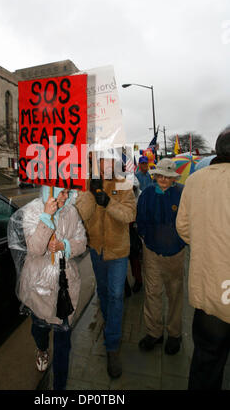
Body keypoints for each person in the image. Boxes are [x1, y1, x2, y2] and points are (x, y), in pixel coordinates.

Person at [7, 185, 86, 391]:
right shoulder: (33, 211)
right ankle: (42, 348)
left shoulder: (71, 211)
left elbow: (82, 241)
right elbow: (34, 249)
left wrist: (65, 245)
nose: (65, 197)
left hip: (64, 287)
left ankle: (59, 388)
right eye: (61, 192)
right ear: (48, 191)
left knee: (63, 340)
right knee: (39, 327)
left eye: (68, 192)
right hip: (38, 287)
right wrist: (46, 218)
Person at [176, 127, 230, 390]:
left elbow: (183, 228)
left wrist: (207, 243)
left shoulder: (195, 181)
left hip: (210, 292)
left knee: (206, 364)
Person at [75, 149, 137, 378]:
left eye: (110, 160)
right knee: (103, 292)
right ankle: (110, 324)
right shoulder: (88, 183)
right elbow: (82, 213)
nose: (106, 164)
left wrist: (108, 202)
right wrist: (91, 193)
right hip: (96, 250)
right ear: (95, 162)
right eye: (101, 160)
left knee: (116, 294)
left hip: (118, 252)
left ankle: (112, 346)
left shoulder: (123, 184)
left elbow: (130, 214)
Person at [136, 158, 186, 355]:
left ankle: (174, 334)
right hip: (152, 253)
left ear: (173, 178)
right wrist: (147, 238)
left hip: (176, 254)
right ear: (155, 175)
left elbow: (187, 221)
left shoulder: (181, 193)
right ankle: (154, 332)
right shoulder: (147, 193)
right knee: (152, 293)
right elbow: (141, 219)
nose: (163, 179)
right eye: (160, 175)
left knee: (175, 295)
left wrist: (181, 242)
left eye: (168, 176)